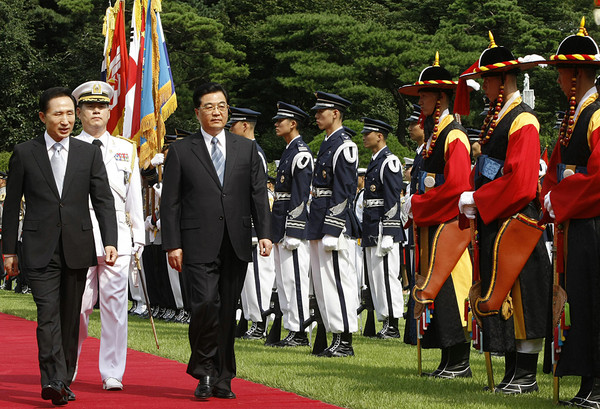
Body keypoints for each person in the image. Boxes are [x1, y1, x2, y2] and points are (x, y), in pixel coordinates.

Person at [2, 87, 117, 405]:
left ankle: (63, 378)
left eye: (70, 113)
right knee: (48, 315)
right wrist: (8, 250)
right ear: (43, 116)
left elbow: (103, 199)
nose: (65, 120)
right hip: (39, 248)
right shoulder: (26, 152)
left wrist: (110, 240)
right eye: (58, 113)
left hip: (77, 247)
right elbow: (12, 205)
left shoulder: (88, 152)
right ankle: (52, 378)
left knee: (70, 316)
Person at [161, 82, 272, 400]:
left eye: (222, 106)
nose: (216, 111)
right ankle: (204, 371)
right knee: (205, 305)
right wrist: (172, 243)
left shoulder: (246, 148)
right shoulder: (182, 150)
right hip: (197, 242)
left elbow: (257, 195)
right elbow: (171, 202)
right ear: (197, 112)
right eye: (209, 106)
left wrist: (263, 233)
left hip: (235, 240)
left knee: (227, 312)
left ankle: (224, 377)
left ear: (228, 110)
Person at [457, 33, 551, 393]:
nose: (483, 87)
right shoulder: (502, 117)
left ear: (504, 79)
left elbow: (523, 181)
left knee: (523, 295)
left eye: (488, 80)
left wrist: (479, 198)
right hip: (498, 216)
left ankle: (525, 374)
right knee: (504, 293)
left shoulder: (523, 120)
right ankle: (514, 372)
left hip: (517, 218)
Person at [399, 52, 473, 378]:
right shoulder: (434, 135)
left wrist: (420, 204)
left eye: (425, 94)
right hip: (435, 224)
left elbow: (457, 185)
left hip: (450, 227)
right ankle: (447, 357)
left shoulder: (454, 134)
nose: (421, 100)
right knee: (436, 288)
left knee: (451, 289)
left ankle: (459, 360)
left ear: (441, 97)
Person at [540, 19, 600, 406]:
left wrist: (559, 198)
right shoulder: (575, 115)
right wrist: (550, 196)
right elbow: (558, 166)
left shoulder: (596, 114)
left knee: (594, 301)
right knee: (579, 300)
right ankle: (588, 383)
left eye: (563, 72)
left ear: (577, 73)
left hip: (593, 222)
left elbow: (597, 176)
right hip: (575, 222)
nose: (559, 80)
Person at [71, 81, 145, 391]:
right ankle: (67, 366)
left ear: (109, 109)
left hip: (119, 234)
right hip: (80, 233)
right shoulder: (70, 146)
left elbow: (133, 197)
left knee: (116, 307)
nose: (97, 110)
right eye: (90, 106)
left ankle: (112, 371)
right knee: (78, 306)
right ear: (79, 112)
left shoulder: (125, 148)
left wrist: (138, 238)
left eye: (102, 105)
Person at [307, 91, 360, 357]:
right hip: (319, 219)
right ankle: (334, 335)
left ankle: (345, 339)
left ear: (335, 113)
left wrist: (332, 226)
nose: (317, 116)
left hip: (333, 224)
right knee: (323, 282)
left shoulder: (344, 145)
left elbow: (344, 189)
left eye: (321, 112)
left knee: (339, 281)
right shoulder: (327, 143)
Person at [227, 106, 276, 341]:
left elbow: (259, 194)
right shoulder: (243, 151)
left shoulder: (254, 152)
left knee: (258, 277)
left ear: (245, 125)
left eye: (233, 125)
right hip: (243, 224)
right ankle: (250, 318)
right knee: (247, 279)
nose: (230, 130)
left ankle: (260, 321)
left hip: (253, 226)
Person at [270, 101, 313, 347]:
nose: (277, 124)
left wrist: (293, 229)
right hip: (281, 222)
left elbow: (300, 194)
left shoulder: (301, 153)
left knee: (294, 279)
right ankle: (291, 326)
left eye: (281, 120)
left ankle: (299, 330)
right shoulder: (289, 151)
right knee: (285, 279)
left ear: (293, 123)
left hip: (292, 225)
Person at [360, 117, 404, 339]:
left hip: (383, 228)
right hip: (371, 225)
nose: (364, 136)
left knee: (387, 276)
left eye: (368, 132)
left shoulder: (390, 161)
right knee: (376, 277)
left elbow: (392, 198)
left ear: (379, 136)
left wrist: (389, 231)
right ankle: (385, 320)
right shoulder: (375, 161)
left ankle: (393, 324)